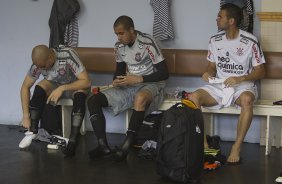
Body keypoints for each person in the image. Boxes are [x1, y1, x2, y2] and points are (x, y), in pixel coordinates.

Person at [189, 3, 265, 165]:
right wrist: (208, 73)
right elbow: (211, 66)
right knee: (194, 97)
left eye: (220, 16)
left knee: (247, 100)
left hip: (242, 86)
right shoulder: (214, 40)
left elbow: (261, 71)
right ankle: (204, 146)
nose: (216, 19)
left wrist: (240, 79)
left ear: (231, 21)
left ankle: (236, 147)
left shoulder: (250, 40)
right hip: (220, 86)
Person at [87, 15, 169, 161]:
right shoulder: (119, 47)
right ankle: (102, 145)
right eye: (116, 34)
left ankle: (126, 145)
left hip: (152, 83)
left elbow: (164, 73)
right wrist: (117, 80)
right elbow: (119, 70)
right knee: (93, 100)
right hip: (130, 83)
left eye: (121, 33)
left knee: (140, 98)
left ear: (131, 30)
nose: (119, 37)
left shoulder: (147, 42)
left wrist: (139, 79)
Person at [19, 44, 91, 157]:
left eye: (44, 66)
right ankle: (32, 131)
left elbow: (86, 81)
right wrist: (25, 116)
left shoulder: (67, 55)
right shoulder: (38, 64)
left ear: (51, 57)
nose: (41, 69)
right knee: (39, 88)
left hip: (74, 84)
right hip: (55, 84)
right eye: (39, 67)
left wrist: (62, 88)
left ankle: (72, 140)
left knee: (80, 94)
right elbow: (25, 87)